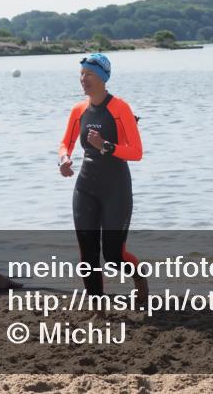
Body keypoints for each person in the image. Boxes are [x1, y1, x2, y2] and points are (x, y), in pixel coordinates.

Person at [59, 53, 147, 302]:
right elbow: (65, 143)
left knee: (113, 255)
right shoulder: (79, 110)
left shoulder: (120, 108)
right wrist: (64, 159)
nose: (83, 79)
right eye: (81, 74)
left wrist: (106, 146)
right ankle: (98, 306)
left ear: (102, 78)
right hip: (86, 186)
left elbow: (136, 152)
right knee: (87, 252)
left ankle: (139, 277)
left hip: (115, 188)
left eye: (89, 74)